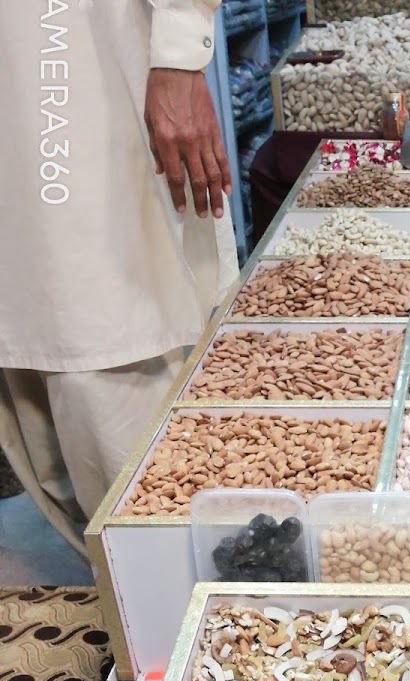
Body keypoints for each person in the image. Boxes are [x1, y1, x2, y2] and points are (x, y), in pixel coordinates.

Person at [0, 0, 239, 554]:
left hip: (70, 74)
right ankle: (124, 578)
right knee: (28, 355)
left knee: (101, 334)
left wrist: (180, 56)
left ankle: (177, 579)